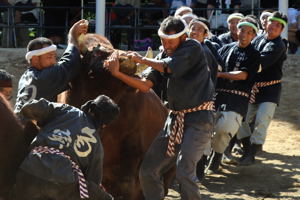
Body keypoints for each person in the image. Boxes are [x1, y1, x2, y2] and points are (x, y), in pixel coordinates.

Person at [105, 16, 215, 199]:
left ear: (183, 37)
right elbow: (144, 85)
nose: (166, 44)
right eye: (163, 40)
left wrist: (141, 59)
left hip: (199, 119)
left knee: (184, 172)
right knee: (148, 171)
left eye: (170, 40)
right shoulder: (163, 55)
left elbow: (168, 68)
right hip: (173, 121)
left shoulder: (193, 47)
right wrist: (116, 73)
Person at [13, 95, 120, 200]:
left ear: (91, 107)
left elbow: (30, 107)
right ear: (105, 125)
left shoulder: (66, 110)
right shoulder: (97, 148)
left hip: (30, 169)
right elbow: (92, 186)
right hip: (62, 186)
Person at [207, 16, 260, 173]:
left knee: (225, 127)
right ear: (237, 31)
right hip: (217, 94)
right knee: (206, 126)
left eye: (249, 32)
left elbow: (243, 75)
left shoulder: (254, 54)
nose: (244, 34)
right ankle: (204, 159)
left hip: (239, 97)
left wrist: (221, 75)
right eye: (242, 30)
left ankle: (217, 156)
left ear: (253, 36)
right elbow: (214, 64)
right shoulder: (225, 48)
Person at [237, 11, 288, 166]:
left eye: (278, 25)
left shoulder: (278, 45)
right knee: (241, 118)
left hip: (270, 90)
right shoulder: (258, 38)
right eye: (271, 22)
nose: (273, 26)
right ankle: (247, 148)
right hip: (253, 87)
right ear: (266, 23)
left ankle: (251, 153)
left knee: (262, 120)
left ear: (281, 30)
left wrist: (240, 71)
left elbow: (259, 64)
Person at [14, 19, 88, 114]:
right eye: (49, 57)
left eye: (54, 57)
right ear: (35, 59)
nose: (54, 61)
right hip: (29, 127)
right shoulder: (45, 77)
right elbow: (70, 62)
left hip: (18, 123)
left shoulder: (25, 76)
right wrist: (72, 35)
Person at [189, 17, 218, 85]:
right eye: (193, 28)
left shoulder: (204, 51)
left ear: (205, 34)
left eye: (199, 29)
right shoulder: (188, 47)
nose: (195, 32)